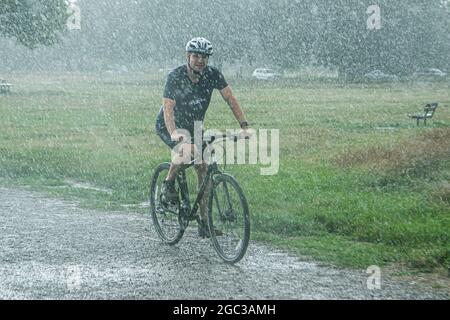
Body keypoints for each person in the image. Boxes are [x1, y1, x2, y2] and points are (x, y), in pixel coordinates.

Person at [155, 37, 250, 238]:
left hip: (194, 126)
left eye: (204, 56)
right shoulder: (175, 76)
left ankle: (204, 222)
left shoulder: (212, 75)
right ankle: (168, 184)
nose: (200, 60)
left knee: (203, 168)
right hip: (169, 123)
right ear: (188, 56)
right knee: (186, 152)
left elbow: (230, 99)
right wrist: (175, 133)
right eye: (196, 56)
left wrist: (244, 126)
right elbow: (168, 108)